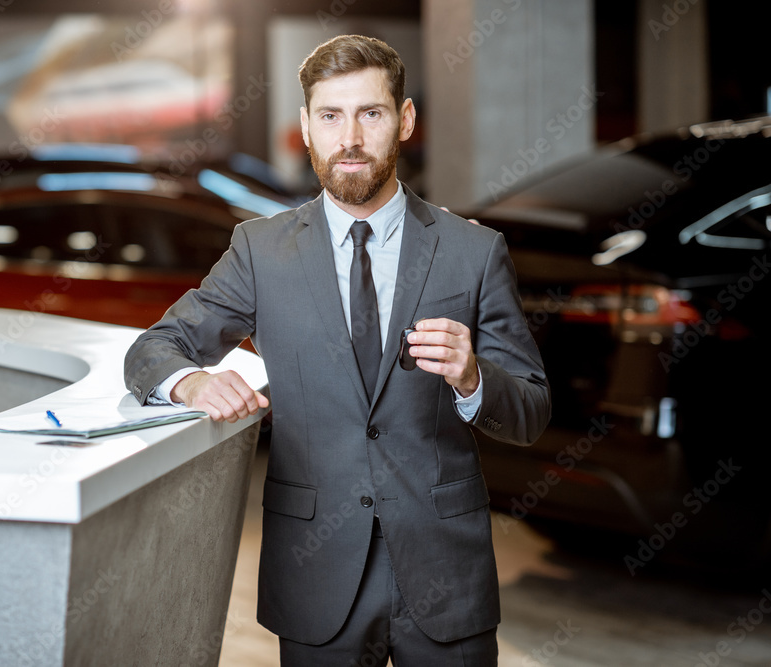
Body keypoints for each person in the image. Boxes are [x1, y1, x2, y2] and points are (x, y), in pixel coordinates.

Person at [125, 34, 550, 666]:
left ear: (404, 121)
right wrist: (190, 384)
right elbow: (153, 350)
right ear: (305, 127)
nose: (349, 136)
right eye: (330, 116)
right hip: (315, 572)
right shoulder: (260, 252)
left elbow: (532, 412)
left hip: (444, 572)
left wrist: (472, 377)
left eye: (370, 113)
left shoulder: (473, 251)